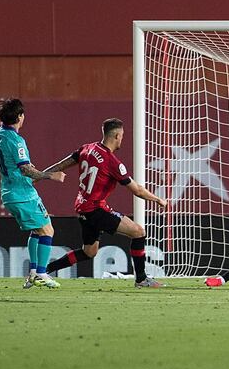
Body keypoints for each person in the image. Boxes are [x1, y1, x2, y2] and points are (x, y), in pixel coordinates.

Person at [42, 118, 168, 288]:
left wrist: (41, 175)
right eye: (122, 135)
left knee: (89, 251)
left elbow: (63, 164)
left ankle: (44, 270)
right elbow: (137, 190)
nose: (122, 139)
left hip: (82, 207)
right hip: (95, 208)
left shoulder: (87, 149)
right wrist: (158, 199)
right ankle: (141, 279)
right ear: (116, 135)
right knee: (138, 232)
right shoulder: (111, 161)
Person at [0, 99, 67, 289]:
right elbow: (25, 169)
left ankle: (33, 273)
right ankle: (41, 273)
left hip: (8, 193)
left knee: (37, 230)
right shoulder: (16, 140)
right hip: (23, 193)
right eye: (22, 114)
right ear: (19, 117)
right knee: (48, 230)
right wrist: (50, 175)